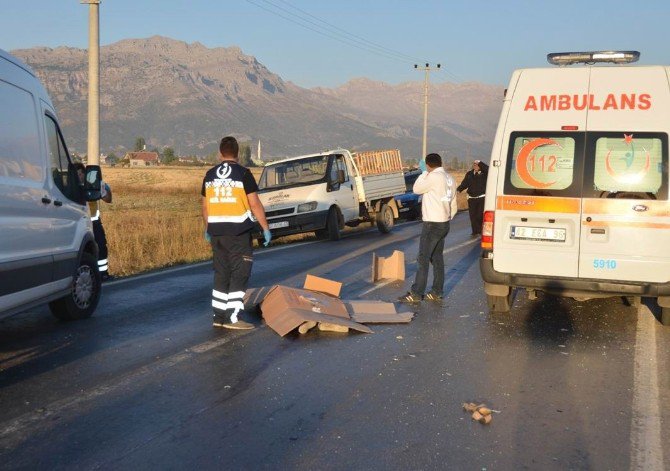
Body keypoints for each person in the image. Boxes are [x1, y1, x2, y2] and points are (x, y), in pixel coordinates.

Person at [202, 136, 271, 330]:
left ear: (220, 153)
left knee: (221, 273)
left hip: (217, 232)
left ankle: (219, 315)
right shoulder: (243, 173)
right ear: (238, 154)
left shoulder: (210, 175)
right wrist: (265, 228)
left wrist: (208, 228)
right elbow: (254, 203)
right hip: (238, 231)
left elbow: (205, 206)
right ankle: (232, 317)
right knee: (240, 272)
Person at [399, 153, 457, 303]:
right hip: (444, 222)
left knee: (423, 258)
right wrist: (447, 216)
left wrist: (424, 172)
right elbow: (454, 203)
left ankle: (417, 293)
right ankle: (437, 291)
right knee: (437, 257)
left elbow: (417, 189)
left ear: (429, 165)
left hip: (432, 223)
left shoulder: (433, 177)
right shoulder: (450, 178)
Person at [75, 163, 113, 281]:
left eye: (81, 173)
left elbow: (108, 199)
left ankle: (103, 274)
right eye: (77, 174)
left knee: (101, 248)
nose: (80, 176)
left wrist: (103, 192)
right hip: (79, 225)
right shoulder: (72, 188)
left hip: (94, 223)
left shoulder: (93, 185)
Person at [457, 160, 488, 236]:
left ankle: (480, 230)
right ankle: (475, 231)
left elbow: (488, 169)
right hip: (471, 198)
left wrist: (480, 162)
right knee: (472, 215)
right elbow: (464, 183)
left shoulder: (485, 174)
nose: (476, 166)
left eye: (477, 165)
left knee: (479, 215)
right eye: (474, 164)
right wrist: (459, 189)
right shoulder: (469, 174)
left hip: (481, 197)